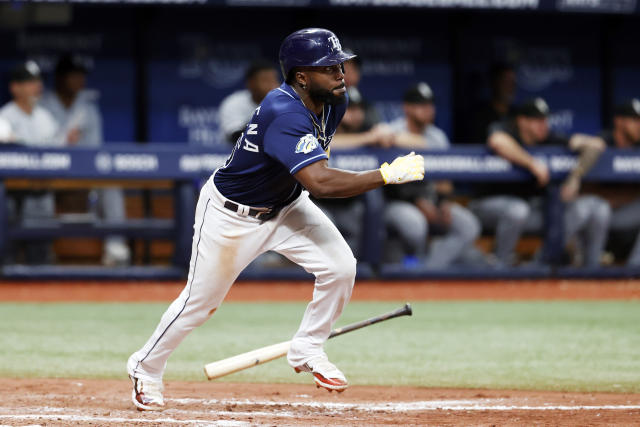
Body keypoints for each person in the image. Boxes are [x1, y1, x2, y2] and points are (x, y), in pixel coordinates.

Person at [127, 28, 425, 411]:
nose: (340, 73)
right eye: (329, 67)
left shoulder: (336, 100)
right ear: (301, 75)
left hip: (285, 205)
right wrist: (383, 174)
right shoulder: (282, 111)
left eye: (340, 64)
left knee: (340, 267)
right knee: (200, 304)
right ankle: (145, 367)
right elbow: (319, 181)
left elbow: (317, 164)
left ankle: (307, 348)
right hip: (232, 215)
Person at [469, 98, 610, 267]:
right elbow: (497, 141)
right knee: (517, 210)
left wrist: (575, 177)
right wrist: (531, 163)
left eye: (545, 120)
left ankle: (544, 262)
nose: (544, 125)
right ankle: (500, 266)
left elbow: (596, 145)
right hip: (487, 206)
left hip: (529, 210)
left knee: (582, 208)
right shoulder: (506, 129)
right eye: (538, 120)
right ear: (522, 121)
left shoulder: (548, 137)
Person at [39, 54, 130, 266]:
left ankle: (115, 247)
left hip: (82, 173)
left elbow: (94, 150)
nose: (80, 80)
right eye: (74, 75)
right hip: (50, 174)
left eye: (81, 75)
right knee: (38, 192)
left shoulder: (87, 108)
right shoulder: (43, 106)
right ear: (61, 78)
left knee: (111, 186)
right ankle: (42, 248)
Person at [384, 83, 483, 268]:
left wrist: (444, 202)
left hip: (432, 200)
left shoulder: (438, 137)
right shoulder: (391, 132)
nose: (428, 110)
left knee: (468, 226)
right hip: (397, 201)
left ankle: (430, 269)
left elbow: (445, 180)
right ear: (407, 107)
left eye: (430, 105)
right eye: (421, 105)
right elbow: (387, 180)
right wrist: (418, 202)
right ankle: (413, 267)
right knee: (415, 223)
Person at [0, 61, 72, 263]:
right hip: (11, 195)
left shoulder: (45, 118)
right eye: (29, 82)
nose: (36, 87)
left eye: (37, 82)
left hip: (41, 191)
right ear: (15, 87)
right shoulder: (4, 117)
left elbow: (62, 156)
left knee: (40, 253)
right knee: (7, 256)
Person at [597, 99, 640, 266]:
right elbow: (582, 191)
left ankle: (635, 268)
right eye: (634, 120)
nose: (639, 125)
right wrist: (621, 197)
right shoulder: (600, 144)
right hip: (599, 217)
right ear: (618, 121)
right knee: (592, 209)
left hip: (626, 216)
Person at [218, 60, 280, 144]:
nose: (272, 86)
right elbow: (236, 137)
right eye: (266, 81)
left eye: (274, 80)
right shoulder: (235, 103)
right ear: (251, 83)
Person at [468, 63, 517, 143]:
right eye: (505, 82)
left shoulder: (517, 115)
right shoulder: (479, 115)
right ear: (494, 83)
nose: (510, 87)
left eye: (512, 83)